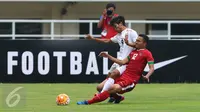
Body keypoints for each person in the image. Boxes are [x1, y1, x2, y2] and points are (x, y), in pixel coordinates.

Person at [77, 34, 154, 105]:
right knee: (99, 87)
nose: (136, 42)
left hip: (130, 81)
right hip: (122, 77)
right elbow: (122, 62)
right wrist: (108, 56)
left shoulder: (147, 53)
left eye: (138, 41)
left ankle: (88, 102)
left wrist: (147, 76)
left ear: (144, 43)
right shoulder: (133, 52)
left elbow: (152, 68)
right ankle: (118, 97)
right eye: (136, 40)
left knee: (109, 89)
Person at [86, 16, 138, 102]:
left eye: (115, 26)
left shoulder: (131, 32)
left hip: (126, 63)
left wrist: (134, 61)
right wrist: (93, 38)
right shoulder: (119, 35)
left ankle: (101, 96)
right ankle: (115, 97)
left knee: (111, 83)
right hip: (117, 62)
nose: (114, 28)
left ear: (120, 23)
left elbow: (138, 45)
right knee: (102, 84)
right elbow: (107, 41)